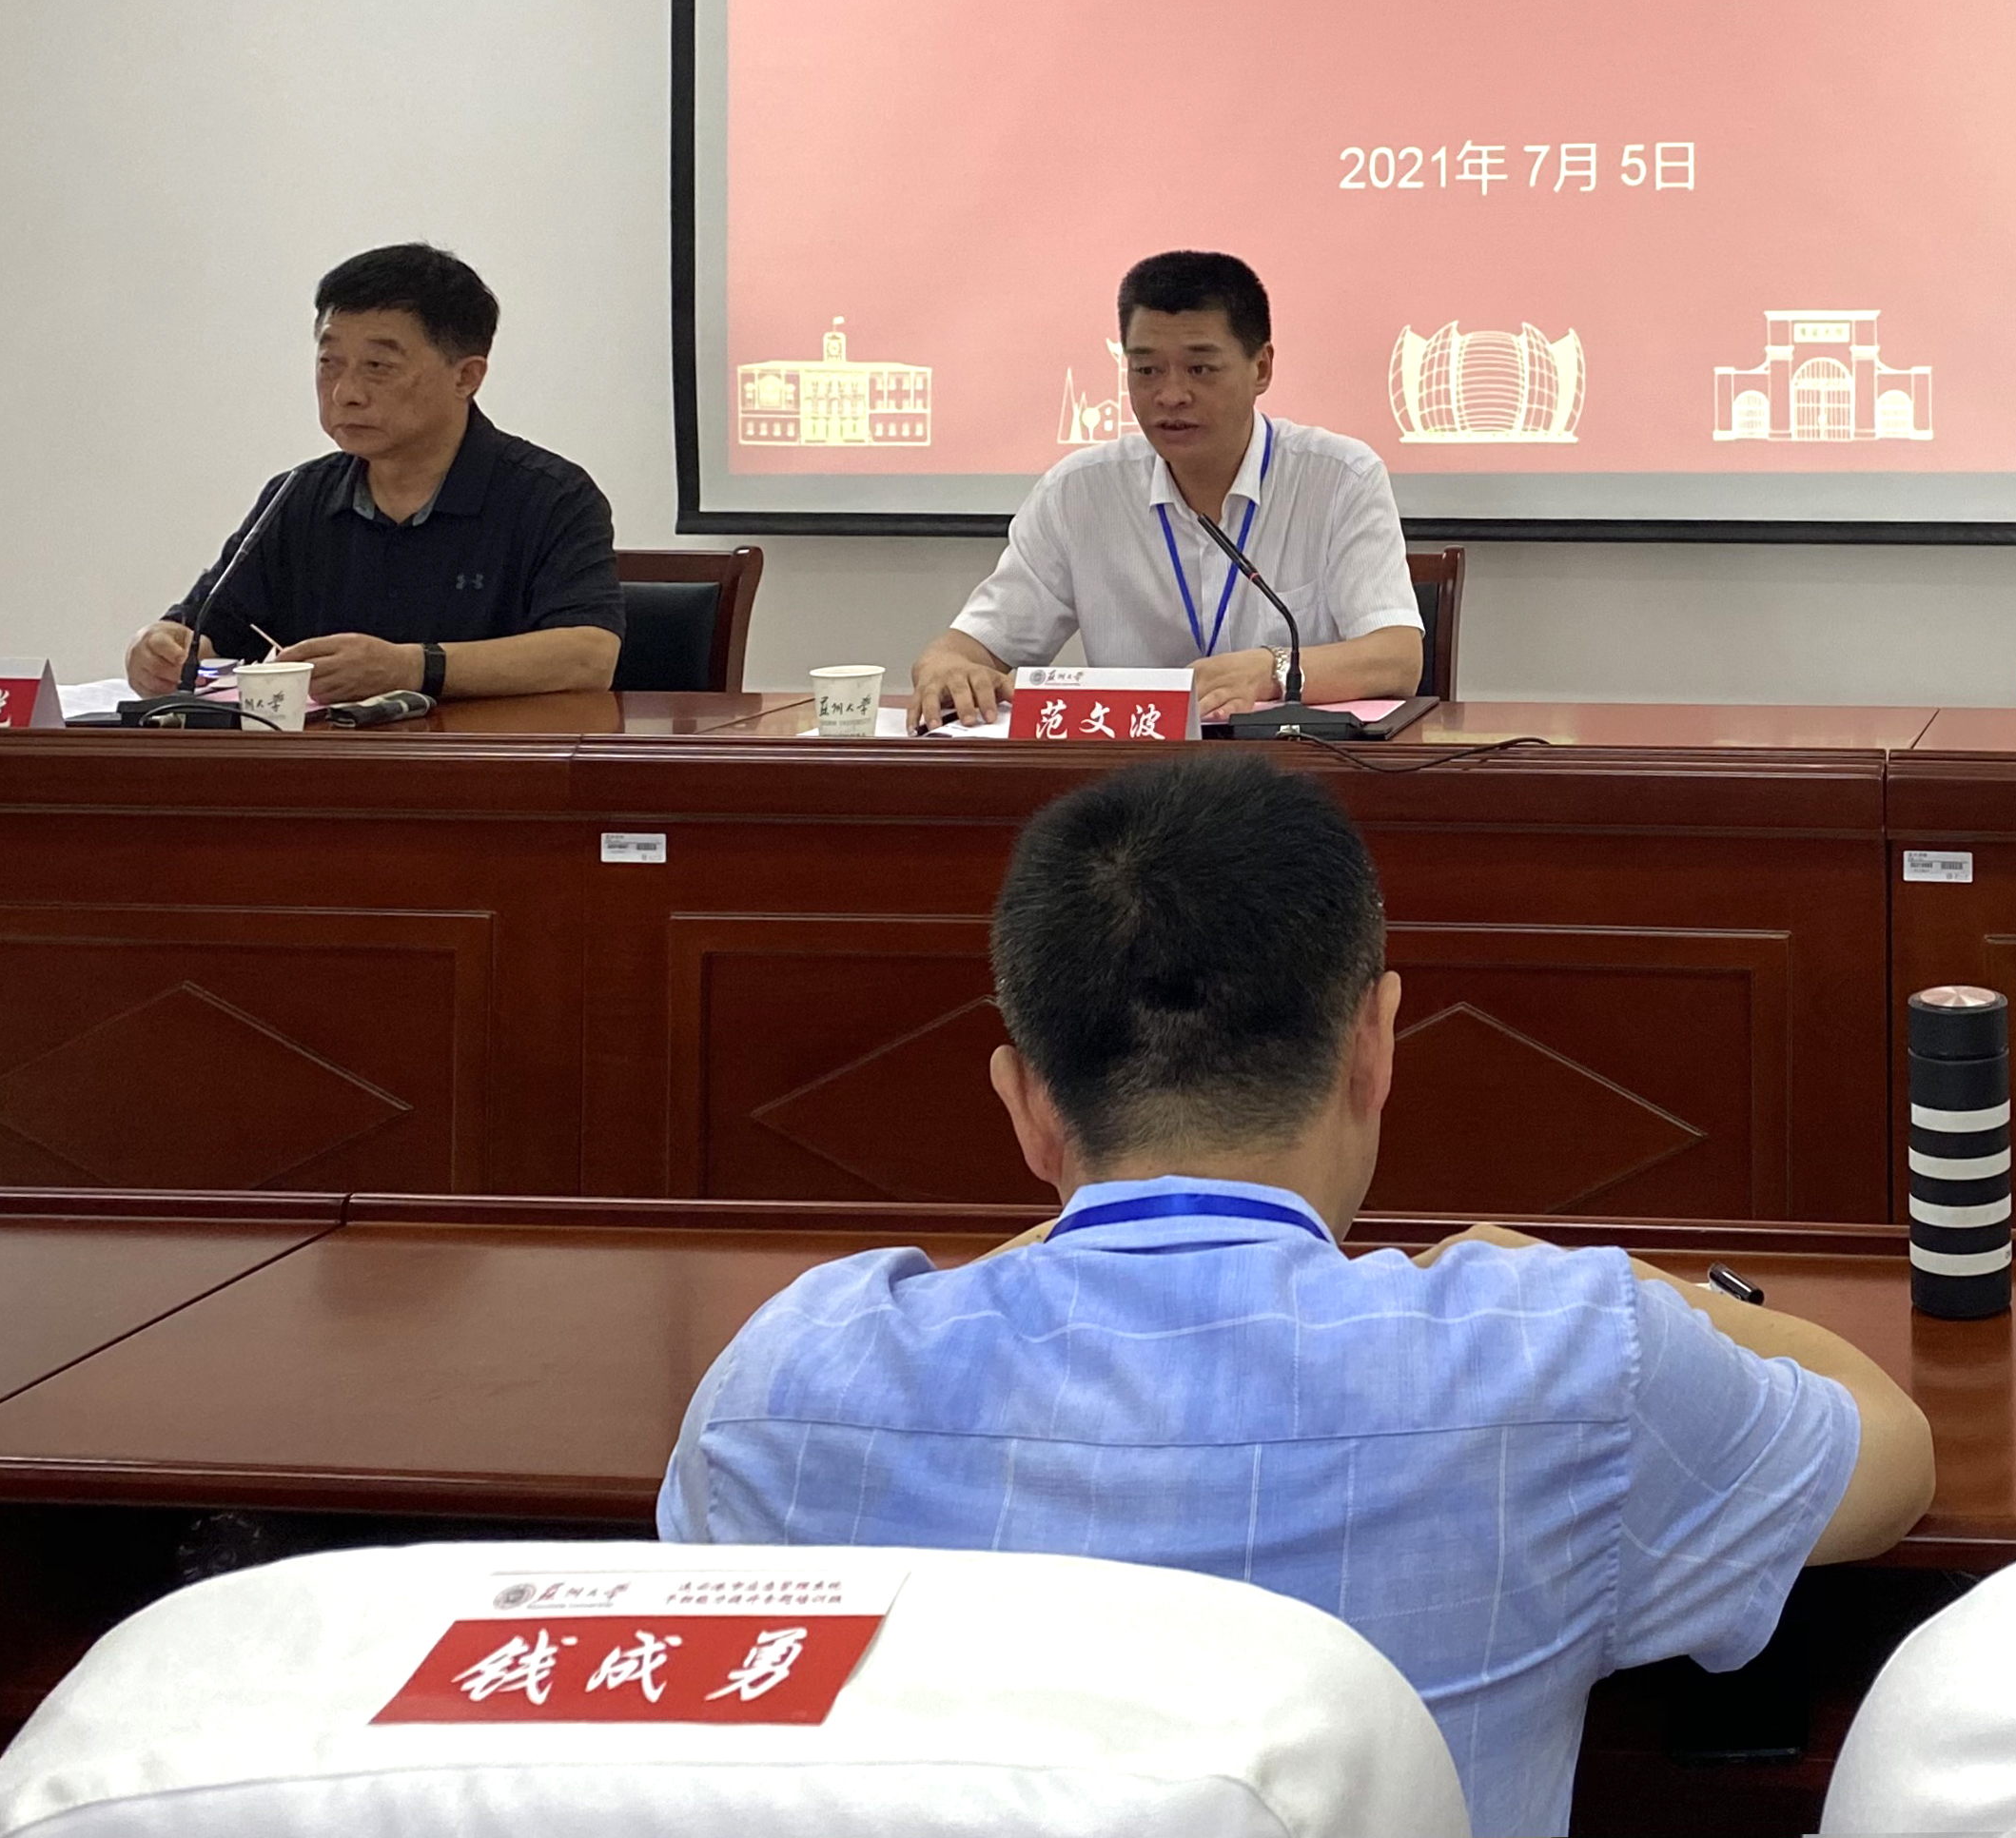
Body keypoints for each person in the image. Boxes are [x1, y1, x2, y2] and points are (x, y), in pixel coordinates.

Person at [659, 756, 1934, 1838]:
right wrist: (1625, 1279)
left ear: (1025, 1103)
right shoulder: (1562, 1355)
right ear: (1374, 1046)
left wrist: (1061, 1225)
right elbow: (1891, 1455)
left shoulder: (786, 1390)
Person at [910, 250, 1425, 730]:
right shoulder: (1079, 493)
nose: (1171, 395)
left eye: (1200, 369)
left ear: (1261, 368)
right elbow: (969, 647)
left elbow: (1398, 658)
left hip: (1291, 771)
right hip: (1132, 776)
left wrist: (1270, 669)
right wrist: (947, 667)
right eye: (1146, 370)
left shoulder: (1339, 478)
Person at [125, 244, 623, 705]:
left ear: (466, 376)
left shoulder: (551, 496)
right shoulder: (297, 496)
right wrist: (159, 648)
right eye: (329, 363)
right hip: (324, 762)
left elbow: (588, 656)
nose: (346, 393)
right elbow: (208, 631)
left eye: (378, 366)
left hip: (482, 763)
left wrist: (411, 667)